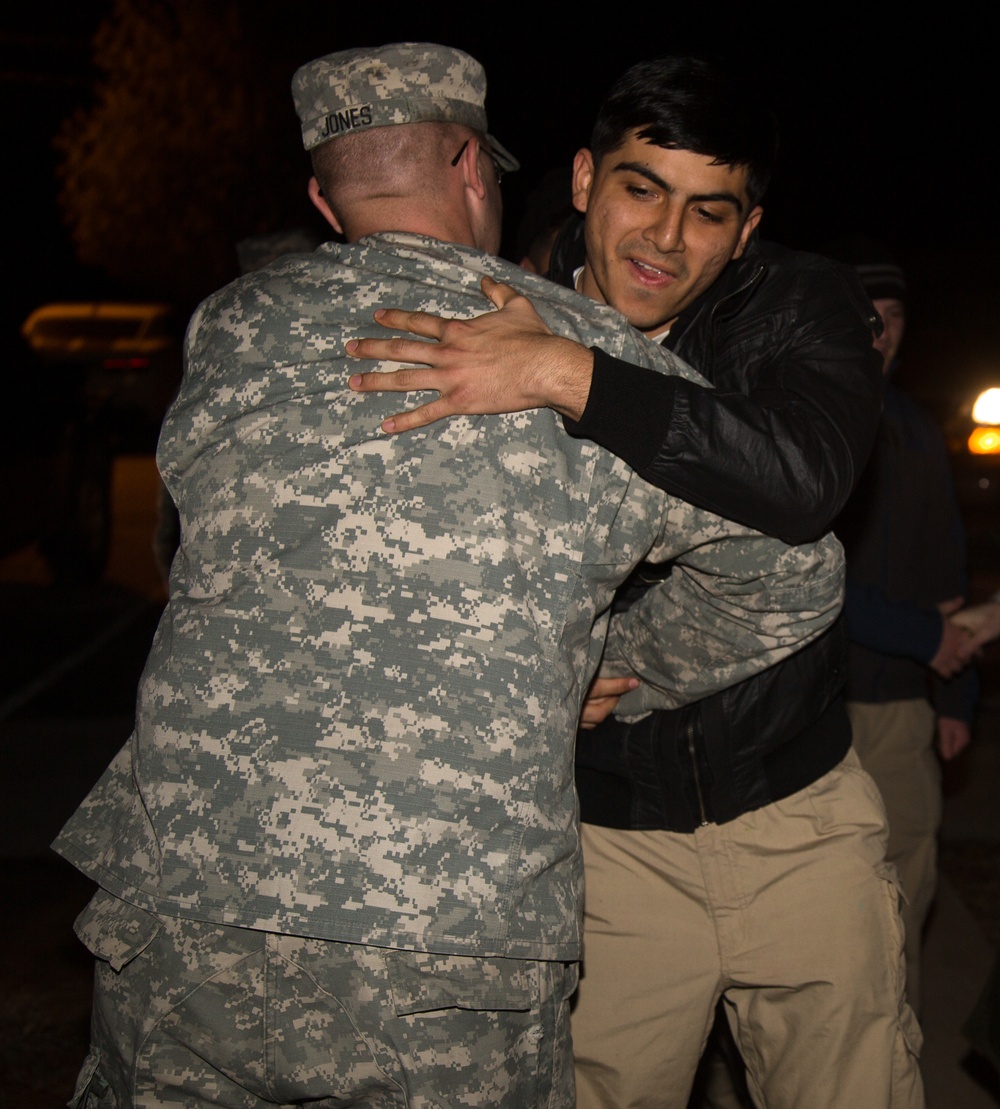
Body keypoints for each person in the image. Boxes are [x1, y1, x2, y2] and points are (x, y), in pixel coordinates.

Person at [53, 45, 844, 1109]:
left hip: (188, 900)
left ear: (324, 200)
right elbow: (793, 572)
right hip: (449, 932)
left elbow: (188, 541)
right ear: (476, 167)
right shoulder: (595, 357)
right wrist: (619, 668)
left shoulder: (230, 327)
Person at [347, 57, 922, 1109]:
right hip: (602, 834)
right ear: (581, 179)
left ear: (745, 230)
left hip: (797, 810)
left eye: (709, 211)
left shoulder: (798, 306)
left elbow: (802, 482)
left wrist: (566, 373)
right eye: (639, 188)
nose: (665, 239)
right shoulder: (493, 311)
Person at [835, 249, 978, 1012]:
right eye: (864, 319)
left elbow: (948, 575)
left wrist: (958, 695)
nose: (878, 335)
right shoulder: (811, 415)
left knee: (904, 898)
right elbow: (810, 576)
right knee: (824, 915)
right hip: (817, 709)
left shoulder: (919, 428)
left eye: (891, 322)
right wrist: (924, 638)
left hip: (902, 715)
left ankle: (893, 1076)